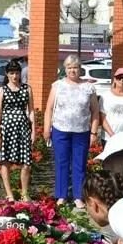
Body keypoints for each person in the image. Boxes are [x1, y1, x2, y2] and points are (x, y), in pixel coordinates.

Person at [43, 56, 100, 207]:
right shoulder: (57, 86)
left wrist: (93, 133)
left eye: (74, 67)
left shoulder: (89, 87)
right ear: (65, 69)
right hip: (60, 130)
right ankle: (61, 195)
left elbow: (95, 111)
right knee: (62, 163)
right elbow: (48, 108)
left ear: (79, 68)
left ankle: (78, 196)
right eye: (69, 67)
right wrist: (46, 128)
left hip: (82, 131)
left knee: (79, 164)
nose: (72, 70)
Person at [0, 60, 35, 201]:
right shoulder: (1, 90)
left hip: (23, 128)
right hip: (7, 129)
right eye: (12, 73)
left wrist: (33, 131)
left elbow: (31, 111)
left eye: (17, 73)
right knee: (5, 162)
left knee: (26, 163)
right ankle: (9, 193)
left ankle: (24, 192)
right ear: (7, 74)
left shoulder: (27, 89)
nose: (15, 76)